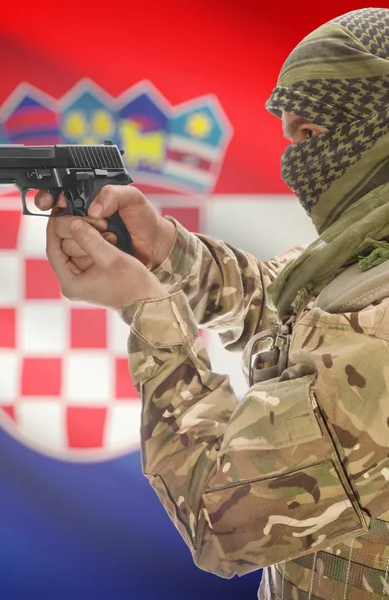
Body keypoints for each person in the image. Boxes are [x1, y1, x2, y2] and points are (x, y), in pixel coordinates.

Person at [36, 8, 389, 599]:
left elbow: (222, 521)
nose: (295, 162)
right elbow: (290, 311)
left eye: (312, 135)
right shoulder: (367, 256)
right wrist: (167, 250)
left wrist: (148, 310)